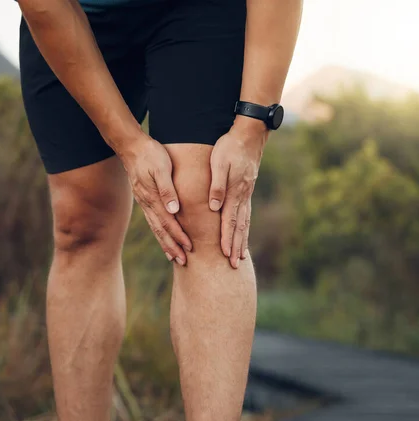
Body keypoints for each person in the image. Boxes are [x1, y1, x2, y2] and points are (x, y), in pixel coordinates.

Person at [16, 0, 302, 419]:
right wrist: (128, 144)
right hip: (79, 12)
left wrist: (252, 127)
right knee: (81, 220)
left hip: (199, 10)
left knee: (207, 203)